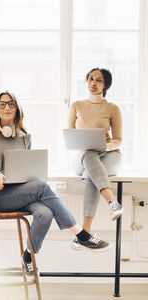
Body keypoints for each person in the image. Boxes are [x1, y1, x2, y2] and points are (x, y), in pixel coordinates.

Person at [0, 91, 111, 276]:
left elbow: (26, 169)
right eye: (2, 104)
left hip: (19, 192)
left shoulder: (25, 137)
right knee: (41, 186)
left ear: (17, 108)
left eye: (11, 104)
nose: (7, 107)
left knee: (45, 213)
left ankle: (28, 256)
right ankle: (81, 234)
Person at [68, 68, 124, 250]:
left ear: (106, 85)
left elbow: (118, 140)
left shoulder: (112, 108)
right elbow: (69, 135)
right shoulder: (76, 105)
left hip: (108, 155)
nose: (93, 83)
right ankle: (113, 203)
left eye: (99, 80)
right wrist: (87, 144)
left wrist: (105, 146)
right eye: (91, 79)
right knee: (89, 157)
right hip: (83, 156)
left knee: (90, 174)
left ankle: (84, 234)